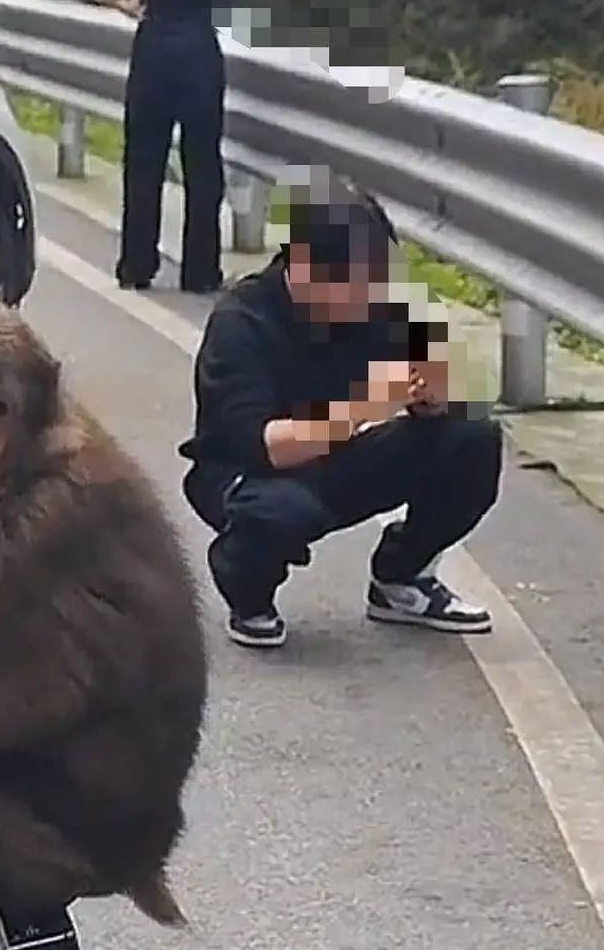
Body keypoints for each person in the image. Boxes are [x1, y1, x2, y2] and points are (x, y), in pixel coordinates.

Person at [180, 175, 503, 648]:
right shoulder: (242, 321)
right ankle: (247, 591)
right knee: (278, 511)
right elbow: (264, 446)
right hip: (251, 472)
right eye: (359, 282)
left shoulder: (378, 304)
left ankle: (401, 576)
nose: (372, 294)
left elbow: (433, 376)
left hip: (337, 456)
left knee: (472, 434)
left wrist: (433, 396)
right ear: (307, 268)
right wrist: (363, 406)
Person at [84, 0, 309, 296]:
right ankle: (200, 270)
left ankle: (136, 264)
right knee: (203, 165)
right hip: (198, 50)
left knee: (143, 161)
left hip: (152, 46)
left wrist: (130, 0)